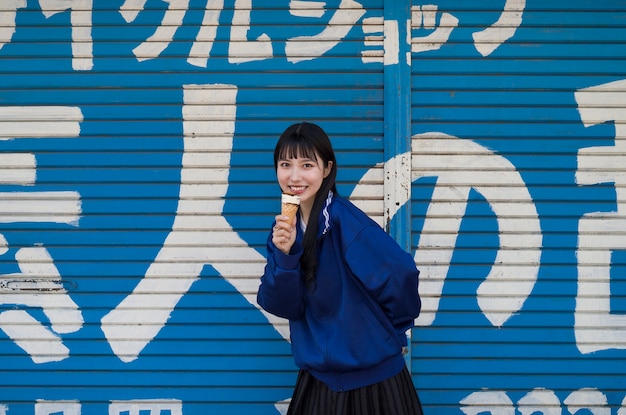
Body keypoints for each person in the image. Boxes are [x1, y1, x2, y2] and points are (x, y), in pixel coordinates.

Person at [257, 122, 423, 415]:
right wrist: (285, 255)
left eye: (307, 164)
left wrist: (389, 333)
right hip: (319, 383)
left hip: (378, 383)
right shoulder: (285, 229)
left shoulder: (348, 224)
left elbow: (401, 273)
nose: (294, 176)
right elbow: (283, 305)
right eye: (285, 164)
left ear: (326, 168)